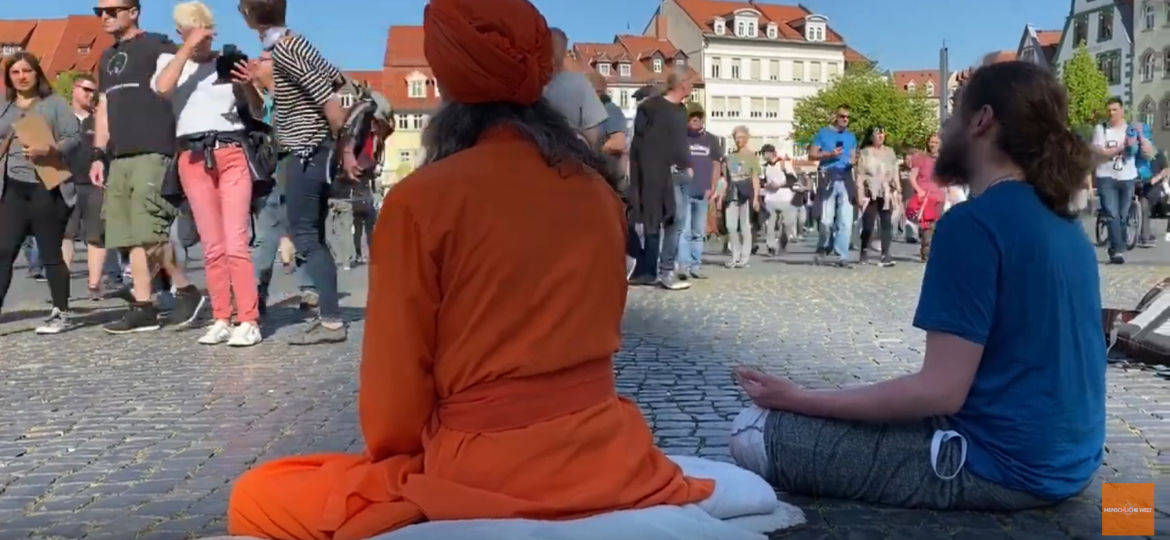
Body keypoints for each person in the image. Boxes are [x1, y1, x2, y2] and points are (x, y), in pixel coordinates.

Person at [226, 0, 714, 537]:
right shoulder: (596, 190)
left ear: (446, 85)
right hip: (608, 447)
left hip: (485, 462)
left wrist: (398, 461)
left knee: (257, 495)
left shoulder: (421, 200)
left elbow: (396, 386)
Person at [731, 61, 1103, 513]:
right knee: (1135, 513)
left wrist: (801, 399)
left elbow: (940, 391)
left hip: (999, 466)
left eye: (953, 113)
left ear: (982, 120)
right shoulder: (1067, 226)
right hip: (1075, 465)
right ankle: (1135, 511)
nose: (945, 127)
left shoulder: (972, 224)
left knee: (752, 431)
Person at [238, 0, 354, 344]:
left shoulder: (285, 49)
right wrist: (265, 83)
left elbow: (328, 101)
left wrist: (339, 146)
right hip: (311, 147)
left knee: (305, 236)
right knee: (312, 236)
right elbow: (335, 82)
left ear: (249, 16)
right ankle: (329, 315)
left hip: (305, 150)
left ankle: (331, 322)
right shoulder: (297, 42)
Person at [151, 1, 263, 347]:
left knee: (235, 242)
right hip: (192, 156)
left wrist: (247, 84)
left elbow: (258, 110)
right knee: (212, 246)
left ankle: (249, 319)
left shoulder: (227, 62)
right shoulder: (170, 62)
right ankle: (221, 316)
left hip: (230, 151)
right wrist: (187, 48)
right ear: (180, 33)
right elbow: (162, 88)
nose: (200, 37)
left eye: (204, 29)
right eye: (190, 30)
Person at [90, 0, 206, 334]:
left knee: (149, 229)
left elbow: (185, 71)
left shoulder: (157, 44)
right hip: (120, 154)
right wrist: (99, 153)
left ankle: (181, 290)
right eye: (100, 12)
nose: (105, 17)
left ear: (134, 11)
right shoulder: (107, 57)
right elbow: (104, 105)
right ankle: (147, 304)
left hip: (154, 147)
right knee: (126, 235)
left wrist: (194, 40)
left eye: (113, 10)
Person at [0, 53, 82, 334]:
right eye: (15, 72)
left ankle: (61, 311)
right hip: (12, 187)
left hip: (45, 186)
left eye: (27, 71)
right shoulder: (5, 107)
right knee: (3, 251)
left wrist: (50, 150)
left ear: (37, 74)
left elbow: (74, 137)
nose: (21, 76)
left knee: (50, 252)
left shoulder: (54, 104)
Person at [628, 73, 692, 290]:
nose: (692, 86)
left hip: (679, 172)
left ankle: (662, 270)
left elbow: (680, 142)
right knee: (658, 221)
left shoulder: (682, 110)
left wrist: (688, 164)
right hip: (659, 172)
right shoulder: (651, 107)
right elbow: (640, 142)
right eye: (689, 82)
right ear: (680, 85)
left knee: (675, 222)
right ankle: (656, 271)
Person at [1092, 97, 1140, 264]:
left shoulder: (1131, 129)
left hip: (1127, 176)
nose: (1111, 113)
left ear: (1122, 111)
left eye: (1114, 110)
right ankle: (1117, 250)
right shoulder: (1101, 129)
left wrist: (1136, 145)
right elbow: (1100, 153)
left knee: (1123, 215)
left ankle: (1117, 246)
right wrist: (1120, 147)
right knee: (1112, 214)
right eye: (1109, 110)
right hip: (1106, 176)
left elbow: (1137, 151)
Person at [810, 104, 857, 267]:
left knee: (846, 220)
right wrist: (830, 154)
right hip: (828, 176)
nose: (845, 119)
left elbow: (853, 155)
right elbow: (812, 154)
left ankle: (841, 255)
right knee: (826, 221)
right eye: (842, 116)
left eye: (847, 117)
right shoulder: (823, 133)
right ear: (835, 117)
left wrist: (854, 160)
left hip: (845, 177)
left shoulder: (851, 136)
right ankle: (823, 246)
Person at [543, 28, 607, 147]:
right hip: (568, 156)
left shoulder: (529, 83)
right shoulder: (579, 83)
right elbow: (593, 135)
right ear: (564, 51)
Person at [679, 102, 721, 279]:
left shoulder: (711, 139)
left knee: (698, 232)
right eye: (692, 116)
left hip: (703, 191)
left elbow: (716, 163)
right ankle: (683, 266)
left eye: (699, 116)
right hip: (684, 190)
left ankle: (695, 266)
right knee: (684, 231)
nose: (696, 119)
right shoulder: (680, 138)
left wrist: (713, 186)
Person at [856, 126, 900, 267]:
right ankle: (864, 250)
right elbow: (860, 174)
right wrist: (859, 193)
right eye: (878, 134)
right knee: (868, 224)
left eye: (882, 134)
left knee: (886, 223)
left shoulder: (890, 152)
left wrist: (898, 188)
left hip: (886, 191)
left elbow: (895, 170)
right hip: (870, 191)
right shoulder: (865, 153)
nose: (881, 136)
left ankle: (885, 253)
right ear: (872, 137)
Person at [723, 126, 760, 268]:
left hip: (745, 193)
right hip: (732, 193)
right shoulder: (730, 157)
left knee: (745, 226)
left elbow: (755, 178)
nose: (738, 140)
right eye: (736, 138)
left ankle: (744, 257)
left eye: (741, 137)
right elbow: (726, 179)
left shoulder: (752, 157)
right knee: (731, 226)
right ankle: (735, 255)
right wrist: (721, 194)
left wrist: (756, 198)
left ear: (747, 138)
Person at [907, 134, 944, 261]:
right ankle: (926, 250)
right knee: (927, 225)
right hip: (925, 196)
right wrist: (919, 190)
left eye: (936, 142)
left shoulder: (942, 160)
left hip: (939, 196)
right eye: (931, 142)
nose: (933, 145)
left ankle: (932, 249)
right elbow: (912, 177)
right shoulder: (920, 158)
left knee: (936, 225)